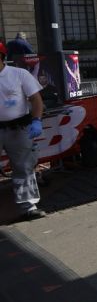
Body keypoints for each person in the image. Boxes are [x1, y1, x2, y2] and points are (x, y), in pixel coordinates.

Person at [0, 42, 46, 219]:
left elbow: (36, 99)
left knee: (23, 168)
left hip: (18, 128)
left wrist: (36, 121)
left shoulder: (19, 74)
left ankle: (28, 207)